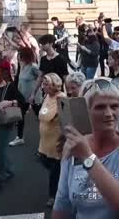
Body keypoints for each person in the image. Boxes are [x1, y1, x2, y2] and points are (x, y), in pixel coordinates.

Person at [52, 78, 119, 219]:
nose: (109, 114)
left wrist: (87, 157)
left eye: (114, 106)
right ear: (87, 110)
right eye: (100, 107)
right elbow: (62, 203)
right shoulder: (73, 146)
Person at [38, 73, 66, 207]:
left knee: (55, 171)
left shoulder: (61, 98)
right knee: (46, 162)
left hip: (56, 139)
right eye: (43, 84)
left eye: (46, 84)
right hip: (45, 139)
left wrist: (44, 113)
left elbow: (46, 116)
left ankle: (54, 196)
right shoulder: (47, 96)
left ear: (55, 85)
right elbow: (43, 114)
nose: (43, 87)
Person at [30, 34, 68, 114]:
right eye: (41, 44)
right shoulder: (43, 59)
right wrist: (33, 93)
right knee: (46, 113)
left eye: (44, 43)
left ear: (51, 44)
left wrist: (69, 94)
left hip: (58, 92)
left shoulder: (61, 58)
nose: (41, 46)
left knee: (58, 114)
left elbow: (65, 77)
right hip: (46, 93)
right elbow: (40, 77)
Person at [11, 47, 40, 146]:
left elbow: (41, 78)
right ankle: (19, 137)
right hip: (22, 96)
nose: (19, 57)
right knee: (20, 117)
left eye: (21, 55)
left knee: (40, 116)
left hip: (33, 96)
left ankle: (48, 136)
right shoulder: (22, 65)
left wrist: (35, 94)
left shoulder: (34, 67)